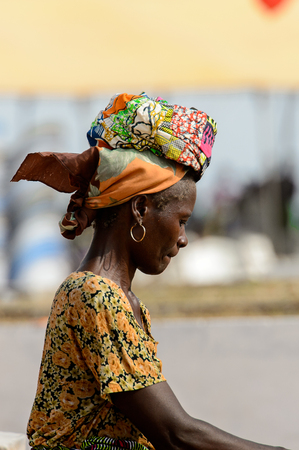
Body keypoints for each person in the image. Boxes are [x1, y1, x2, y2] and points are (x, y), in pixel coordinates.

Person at [12, 93, 288, 450]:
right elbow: (174, 434)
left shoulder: (112, 296)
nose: (184, 239)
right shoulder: (95, 296)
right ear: (140, 209)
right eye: (181, 221)